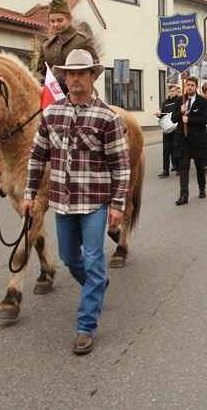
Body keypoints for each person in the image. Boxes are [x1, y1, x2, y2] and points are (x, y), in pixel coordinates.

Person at [22, 49, 130, 355]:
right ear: (65, 77)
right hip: (63, 203)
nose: (76, 78)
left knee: (94, 259)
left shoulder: (107, 117)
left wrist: (118, 204)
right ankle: (97, 284)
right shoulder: (51, 114)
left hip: (95, 202)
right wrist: (29, 195)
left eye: (82, 73)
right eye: (71, 74)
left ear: (93, 77)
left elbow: (121, 166)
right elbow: (37, 157)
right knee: (70, 258)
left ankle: (85, 326)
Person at [34, 0, 100, 94]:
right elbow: (39, 71)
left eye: (60, 20)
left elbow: (94, 68)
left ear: (70, 18)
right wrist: (42, 81)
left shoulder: (82, 40)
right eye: (52, 21)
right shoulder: (45, 45)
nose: (56, 24)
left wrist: (68, 80)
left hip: (80, 94)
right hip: (51, 94)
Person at [171, 75, 207, 205]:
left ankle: (202, 188)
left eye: (192, 85)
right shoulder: (179, 101)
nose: (190, 87)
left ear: (197, 87)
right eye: (188, 85)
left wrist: (190, 120)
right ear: (185, 86)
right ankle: (184, 195)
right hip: (183, 139)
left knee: (199, 166)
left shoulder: (202, 101)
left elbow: (206, 119)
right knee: (184, 167)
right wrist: (180, 112)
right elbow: (173, 119)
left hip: (198, 139)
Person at [155, 84, 180, 178]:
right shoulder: (165, 102)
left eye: (173, 91)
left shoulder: (180, 100)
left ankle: (178, 167)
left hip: (177, 128)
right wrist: (158, 115)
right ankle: (165, 170)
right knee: (166, 150)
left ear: (176, 91)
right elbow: (162, 115)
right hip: (167, 129)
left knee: (176, 148)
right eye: (170, 91)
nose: (171, 92)